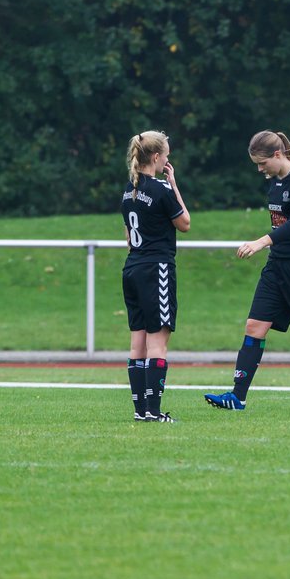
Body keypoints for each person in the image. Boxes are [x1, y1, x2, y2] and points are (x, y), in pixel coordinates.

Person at [205, 130, 290, 412]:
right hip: (277, 266)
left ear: (278, 155)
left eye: (262, 163)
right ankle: (237, 397)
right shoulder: (274, 181)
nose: (259, 169)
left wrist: (260, 242)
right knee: (254, 326)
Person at [121, 131, 190, 423]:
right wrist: (174, 185)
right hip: (156, 269)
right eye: (166, 154)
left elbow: (128, 236)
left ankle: (140, 410)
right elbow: (185, 223)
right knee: (158, 343)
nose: (168, 159)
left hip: (132, 269)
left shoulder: (129, 190)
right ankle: (154, 411)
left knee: (137, 344)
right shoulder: (161, 188)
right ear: (155, 157)